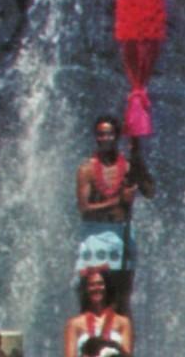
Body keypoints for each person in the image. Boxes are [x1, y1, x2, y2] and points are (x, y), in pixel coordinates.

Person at [74, 115, 154, 315]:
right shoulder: (87, 169)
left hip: (122, 236)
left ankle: (122, 335)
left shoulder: (128, 167)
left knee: (122, 300)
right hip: (94, 236)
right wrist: (118, 201)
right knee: (91, 297)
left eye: (109, 134)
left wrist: (139, 161)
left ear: (117, 136)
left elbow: (150, 192)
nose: (105, 138)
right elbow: (84, 208)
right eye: (100, 134)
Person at [64, 267, 132, 357]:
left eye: (100, 284)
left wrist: (113, 347)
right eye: (91, 285)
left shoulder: (123, 322)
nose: (96, 288)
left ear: (107, 287)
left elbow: (127, 355)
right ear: (86, 289)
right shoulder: (74, 324)